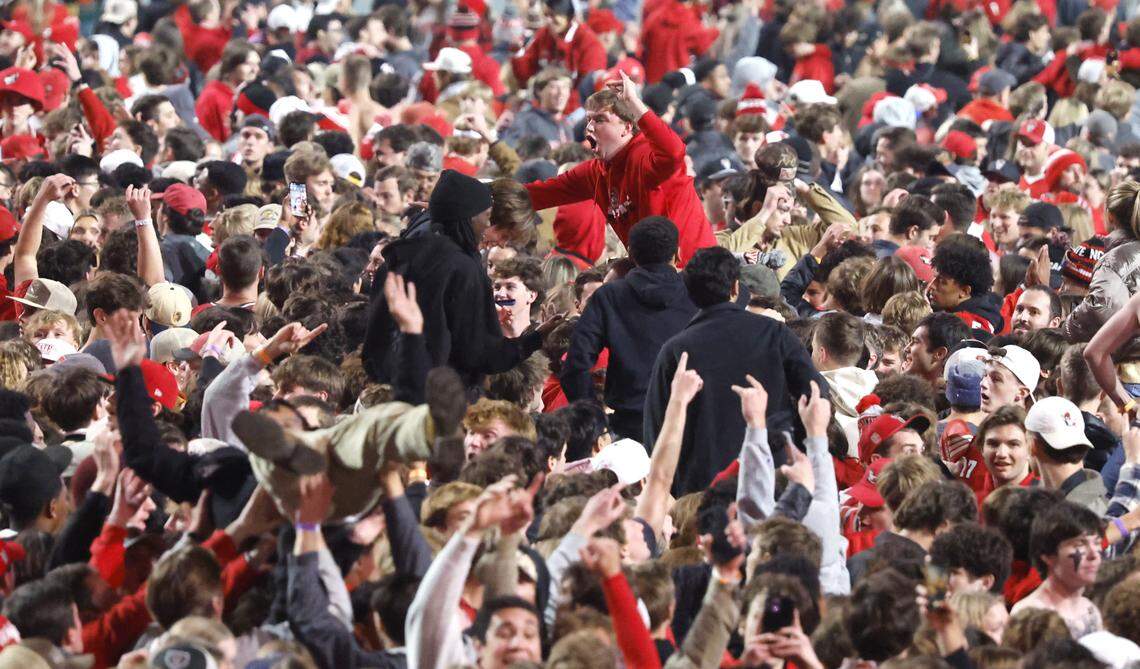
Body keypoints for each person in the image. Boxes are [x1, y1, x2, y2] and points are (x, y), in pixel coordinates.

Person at [643, 246, 825, 493]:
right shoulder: (775, 334)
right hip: (773, 477)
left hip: (702, 490)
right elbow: (818, 396)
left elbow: (656, 431)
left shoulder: (675, 351)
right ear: (736, 288)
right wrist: (793, 448)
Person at [525, 73, 716, 266]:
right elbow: (539, 193)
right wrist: (493, 197)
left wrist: (633, 102)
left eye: (599, 119)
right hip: (653, 272)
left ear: (626, 127)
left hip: (695, 272)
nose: (589, 127)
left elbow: (674, 152)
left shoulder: (645, 156)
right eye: (589, 120)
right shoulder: (595, 171)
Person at [560, 217, 697, 441]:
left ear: (631, 254)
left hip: (629, 428)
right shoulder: (697, 294)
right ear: (678, 253)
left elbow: (575, 366)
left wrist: (595, 421)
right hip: (691, 425)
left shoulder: (609, 296)